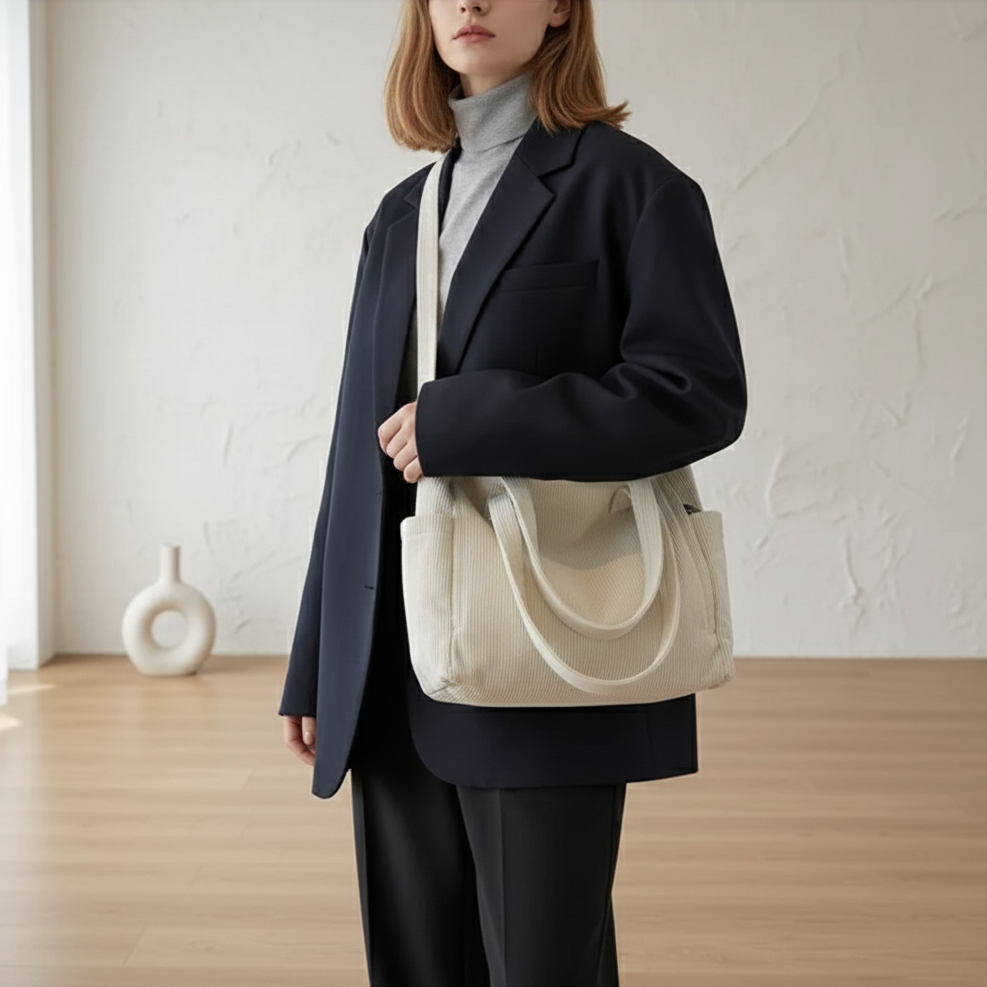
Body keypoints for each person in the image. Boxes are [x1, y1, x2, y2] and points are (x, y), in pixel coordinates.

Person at [280, 1, 747, 984]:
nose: (473, 2)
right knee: (416, 963)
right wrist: (317, 654)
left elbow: (696, 395)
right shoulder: (399, 216)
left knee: (543, 963)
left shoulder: (634, 189)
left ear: (563, 8)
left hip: (536, 647)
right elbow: (351, 451)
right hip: (391, 662)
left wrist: (473, 419)